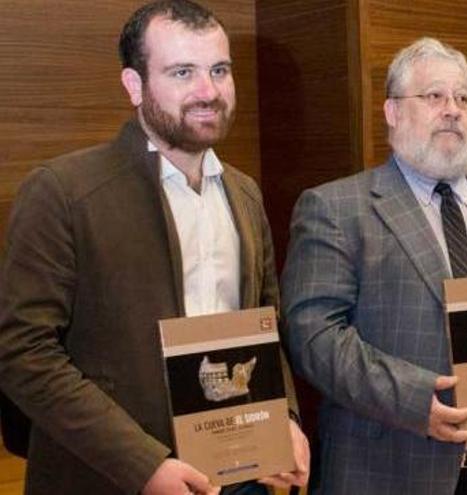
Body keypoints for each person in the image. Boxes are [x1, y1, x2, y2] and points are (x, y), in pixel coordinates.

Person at [0, 1, 309, 493]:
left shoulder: (246, 195)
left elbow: (264, 328)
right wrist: (145, 465)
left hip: (241, 475)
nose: (208, 91)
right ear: (134, 86)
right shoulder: (62, 191)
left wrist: (284, 419)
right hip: (113, 479)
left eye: (220, 70)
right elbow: (22, 355)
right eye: (182, 72)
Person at [281, 37, 467, 494]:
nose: (453, 110)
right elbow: (314, 336)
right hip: (391, 470)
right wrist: (415, 400)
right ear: (392, 112)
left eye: (463, 99)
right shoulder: (337, 207)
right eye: (434, 96)